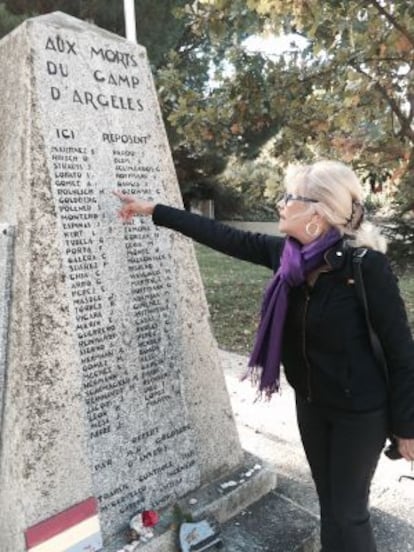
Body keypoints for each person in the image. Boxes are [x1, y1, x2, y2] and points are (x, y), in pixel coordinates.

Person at [114, 160, 414, 552]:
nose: (281, 203)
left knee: (348, 512)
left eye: (291, 197)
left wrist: (407, 427)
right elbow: (220, 235)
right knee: (330, 506)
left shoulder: (365, 267)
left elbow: (400, 351)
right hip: (312, 403)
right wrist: (153, 210)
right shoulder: (289, 258)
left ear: (317, 213)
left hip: (360, 412)